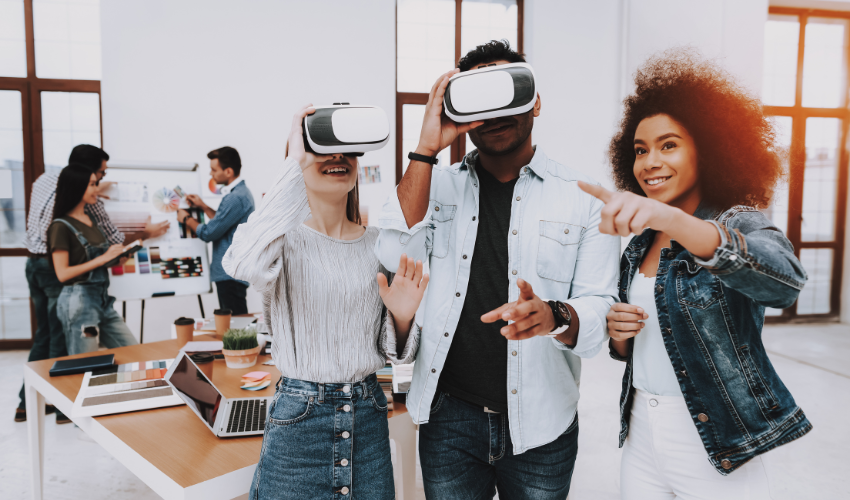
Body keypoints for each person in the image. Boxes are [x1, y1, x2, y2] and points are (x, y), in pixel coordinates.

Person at [374, 40, 621, 499]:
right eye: (480, 99)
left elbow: (599, 309)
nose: (497, 111)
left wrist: (555, 315)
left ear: (535, 100)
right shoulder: (436, 185)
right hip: (449, 416)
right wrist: (426, 147)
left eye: (509, 92)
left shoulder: (585, 198)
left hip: (542, 424)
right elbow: (393, 254)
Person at [580, 49, 811, 499]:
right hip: (642, 432)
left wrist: (669, 220)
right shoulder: (640, 244)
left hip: (716, 440)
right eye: (640, 150)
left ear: (708, 149)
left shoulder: (739, 222)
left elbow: (786, 283)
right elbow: (644, 347)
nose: (649, 162)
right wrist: (619, 334)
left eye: (669, 145)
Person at [222, 105, 427, 499]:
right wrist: (295, 158)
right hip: (299, 424)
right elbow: (240, 262)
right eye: (323, 148)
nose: (338, 158)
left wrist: (403, 317)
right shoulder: (282, 242)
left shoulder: (378, 245)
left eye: (347, 151)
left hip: (368, 417)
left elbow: (396, 353)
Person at [15, 145, 167, 423]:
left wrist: (120, 251)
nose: (102, 184)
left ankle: (29, 405)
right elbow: (77, 263)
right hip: (65, 281)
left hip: (38, 265)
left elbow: (109, 247)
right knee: (61, 346)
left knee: (47, 337)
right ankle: (64, 408)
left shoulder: (46, 181)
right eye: (98, 178)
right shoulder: (70, 219)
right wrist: (141, 235)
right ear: (85, 175)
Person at [49, 164, 138, 355]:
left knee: (135, 353)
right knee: (85, 364)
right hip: (79, 303)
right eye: (91, 184)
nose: (96, 189)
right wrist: (103, 258)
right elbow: (63, 274)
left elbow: (95, 261)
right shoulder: (60, 226)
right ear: (76, 187)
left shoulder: (90, 219)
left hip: (103, 301)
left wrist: (115, 259)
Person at [179, 146, 254, 315]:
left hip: (230, 275)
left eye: (214, 170)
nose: (211, 174)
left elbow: (209, 233)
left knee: (237, 329)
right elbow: (223, 223)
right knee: (236, 326)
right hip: (231, 274)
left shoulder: (235, 197)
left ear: (228, 171)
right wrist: (203, 206)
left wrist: (186, 219)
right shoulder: (240, 194)